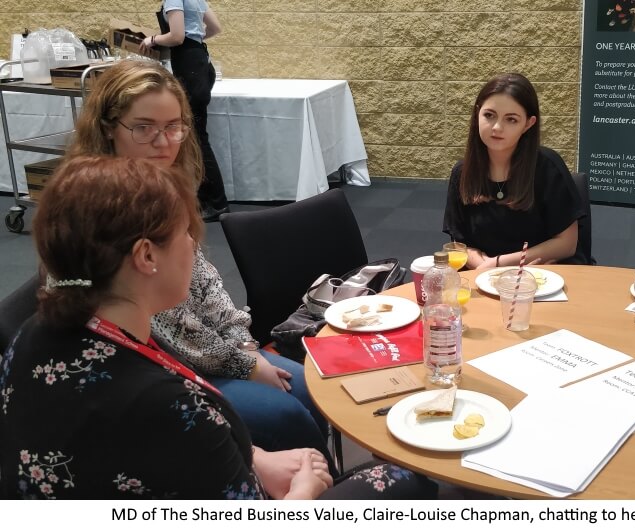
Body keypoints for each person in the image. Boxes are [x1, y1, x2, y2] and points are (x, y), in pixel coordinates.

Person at [0, 156, 435, 499]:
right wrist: (304, 492)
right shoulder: (173, 408)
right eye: (184, 233)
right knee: (401, 480)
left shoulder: (35, 334)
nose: (194, 244)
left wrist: (251, 457)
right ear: (146, 257)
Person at [66, 60, 334, 466]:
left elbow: (204, 281)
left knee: (309, 385)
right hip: (148, 369)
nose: (163, 141)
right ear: (108, 128)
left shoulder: (162, 187)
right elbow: (161, 325)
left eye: (173, 126)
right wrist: (244, 362)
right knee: (287, 413)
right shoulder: (95, 208)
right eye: (144, 127)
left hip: (205, 351)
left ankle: (314, 482)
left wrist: (244, 343)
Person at [443, 72, 586, 269]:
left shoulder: (548, 167)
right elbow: (459, 244)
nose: (497, 127)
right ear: (477, 114)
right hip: (483, 276)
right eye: (489, 115)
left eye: (511, 119)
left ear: (528, 124)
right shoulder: (462, 173)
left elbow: (567, 244)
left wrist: (499, 264)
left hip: (542, 274)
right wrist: (483, 267)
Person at [140, 0, 228, 221]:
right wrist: (195, 41)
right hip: (201, 63)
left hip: (189, 67)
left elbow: (176, 36)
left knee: (198, 137)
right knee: (197, 136)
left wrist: (152, 40)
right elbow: (215, 28)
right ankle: (205, 198)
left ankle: (217, 202)